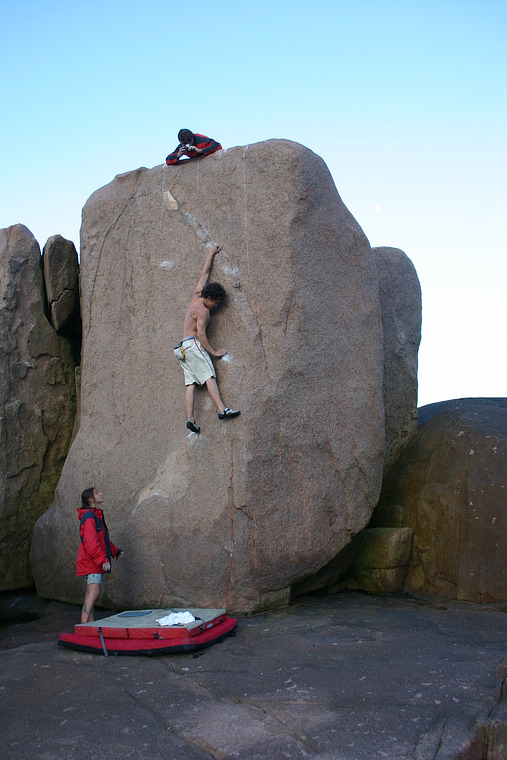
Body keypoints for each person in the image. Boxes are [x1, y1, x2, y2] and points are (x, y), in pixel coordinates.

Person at [174, 244, 240, 434]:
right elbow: (201, 334)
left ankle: (190, 419)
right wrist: (213, 352)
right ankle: (222, 410)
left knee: (191, 384)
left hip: (182, 348)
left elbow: (204, 273)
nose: (216, 306)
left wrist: (211, 254)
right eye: (216, 303)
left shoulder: (197, 294)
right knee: (209, 375)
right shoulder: (204, 312)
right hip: (194, 345)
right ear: (209, 297)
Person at [76, 488, 123, 623]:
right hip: (92, 562)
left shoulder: (95, 515)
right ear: (91, 500)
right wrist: (102, 559)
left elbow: (102, 539)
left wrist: (115, 552)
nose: (101, 494)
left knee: (90, 592)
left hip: (93, 560)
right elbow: (91, 542)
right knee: (94, 592)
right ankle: (83, 626)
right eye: (97, 493)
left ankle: (89, 624)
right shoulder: (89, 517)